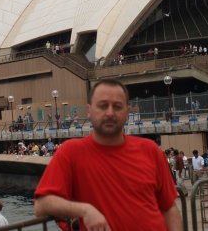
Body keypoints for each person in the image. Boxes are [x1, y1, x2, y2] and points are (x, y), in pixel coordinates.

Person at [34, 79, 182, 231]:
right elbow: (42, 204)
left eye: (117, 106)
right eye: (103, 106)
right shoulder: (71, 152)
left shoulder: (150, 150)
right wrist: (85, 210)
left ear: (127, 112)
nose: (110, 112)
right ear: (89, 111)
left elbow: (169, 209)